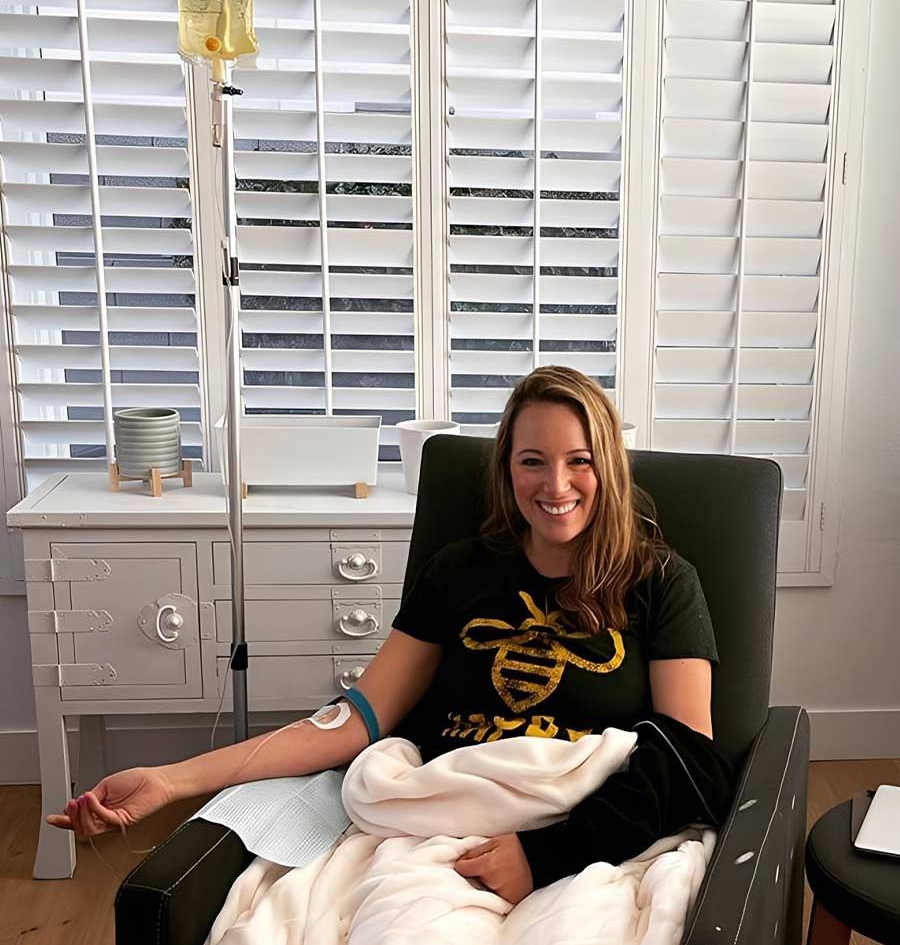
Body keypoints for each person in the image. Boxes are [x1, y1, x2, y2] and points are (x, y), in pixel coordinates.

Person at [48, 366, 734, 906]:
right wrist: (170, 781)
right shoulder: (459, 572)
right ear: (506, 469)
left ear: (609, 466)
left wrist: (544, 857)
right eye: (532, 461)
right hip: (434, 823)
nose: (555, 484)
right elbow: (355, 721)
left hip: (581, 833)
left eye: (579, 460)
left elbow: (686, 759)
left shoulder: (661, 580)